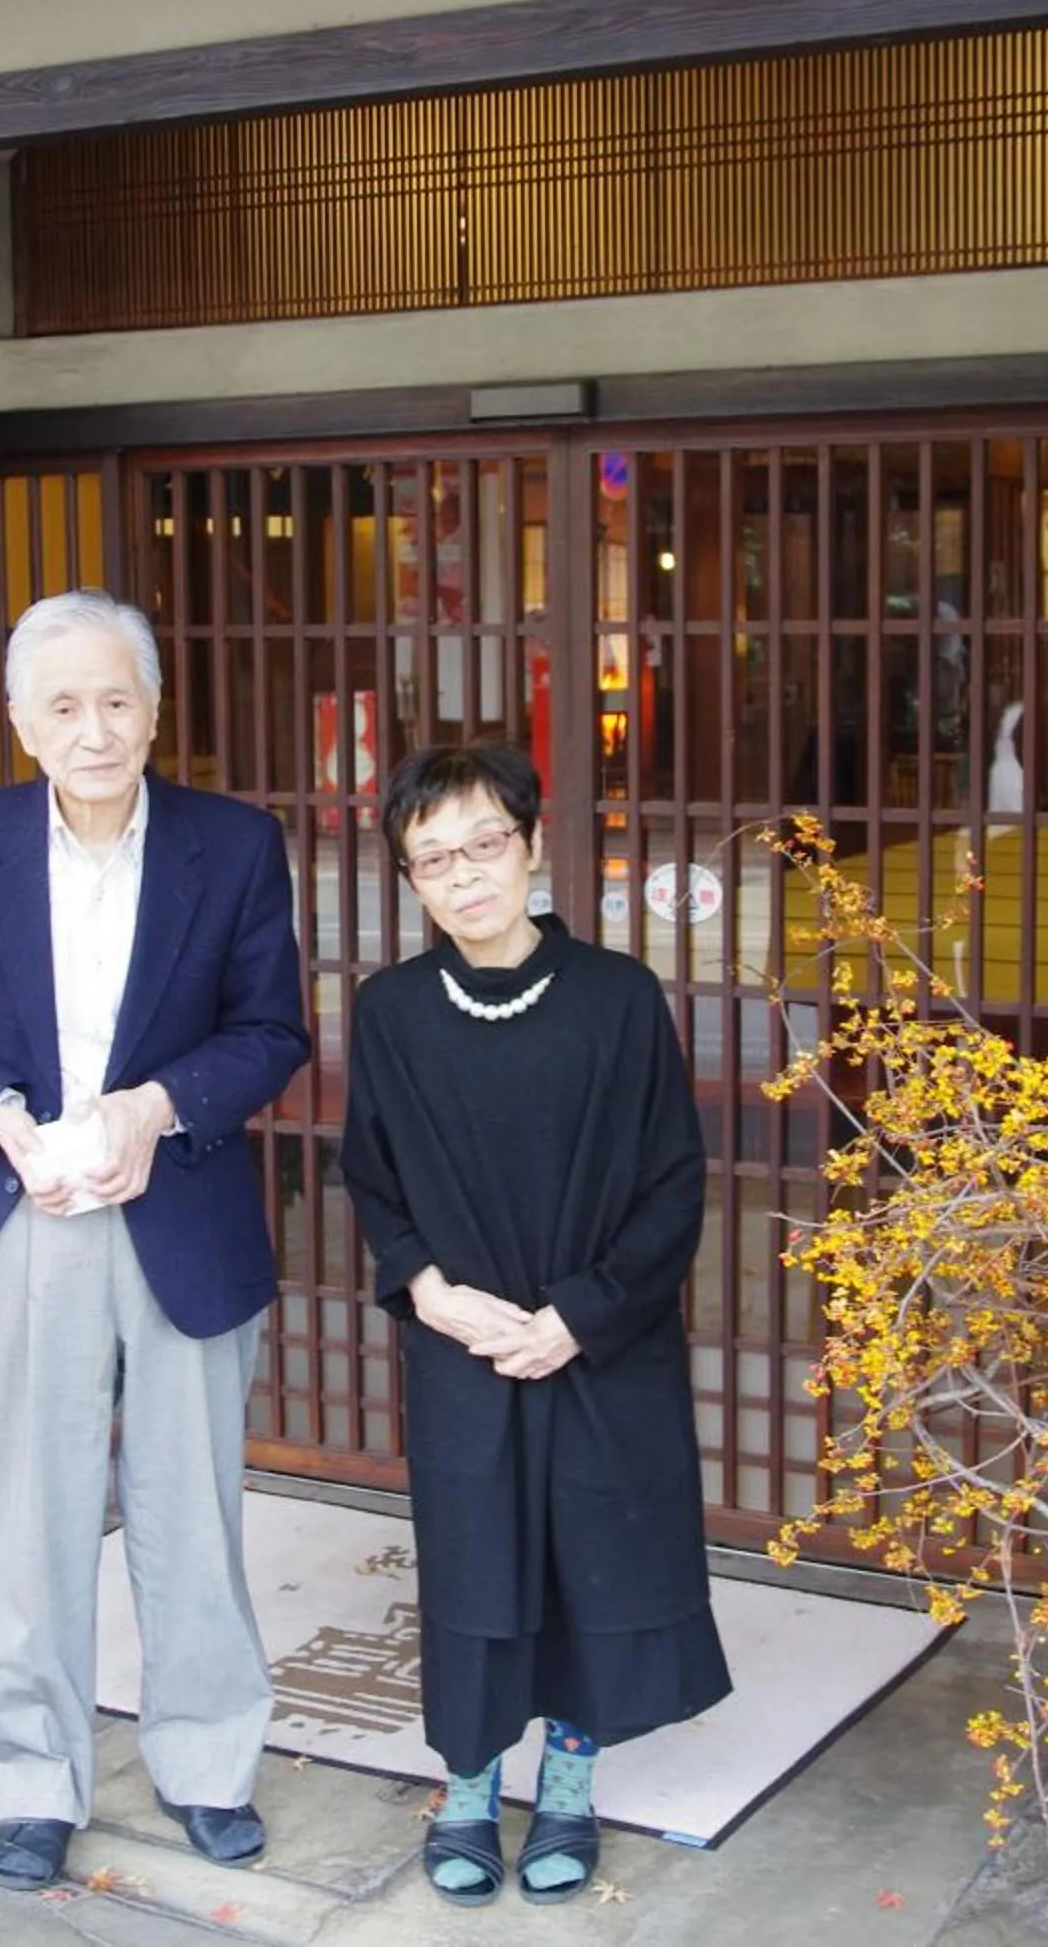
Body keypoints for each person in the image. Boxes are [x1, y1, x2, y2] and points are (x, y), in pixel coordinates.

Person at [0, 589, 308, 1893]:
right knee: (35, 1517)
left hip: (176, 1205)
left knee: (191, 1512)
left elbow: (271, 1030)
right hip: (25, 1213)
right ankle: (33, 1778)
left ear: (156, 710)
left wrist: (148, 1110)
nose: (94, 728)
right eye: (63, 704)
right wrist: (9, 1124)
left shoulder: (230, 846)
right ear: (21, 721)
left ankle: (208, 1762)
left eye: (117, 700)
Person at [338, 743, 731, 1907]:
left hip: (600, 1340)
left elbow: (674, 1183)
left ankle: (570, 1770)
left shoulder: (616, 996)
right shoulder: (392, 1011)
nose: (464, 878)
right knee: (477, 1561)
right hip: (463, 1340)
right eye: (434, 860)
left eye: (484, 846)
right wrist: (424, 1287)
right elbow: (374, 1175)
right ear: (411, 879)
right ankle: (467, 1781)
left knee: (592, 1558)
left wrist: (580, 1315)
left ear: (530, 843)